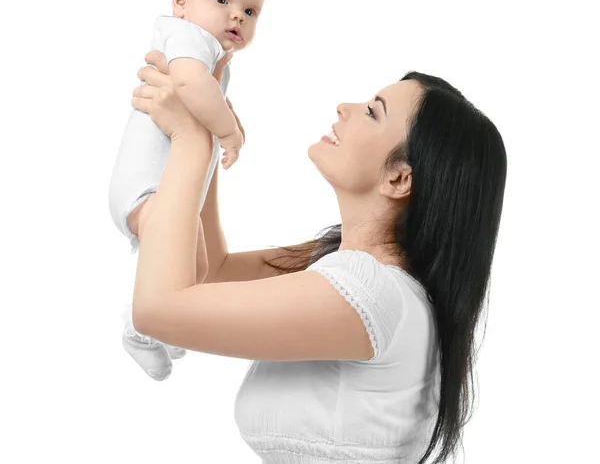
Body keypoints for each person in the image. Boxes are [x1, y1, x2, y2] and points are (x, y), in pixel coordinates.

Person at [128, 52, 507, 464]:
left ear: (399, 178)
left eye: (371, 112)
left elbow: (157, 310)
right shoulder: (345, 267)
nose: (345, 108)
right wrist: (206, 120)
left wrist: (190, 143)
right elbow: (213, 274)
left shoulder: (370, 292)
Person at [107, 0, 267, 380]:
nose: (238, 15)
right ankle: (143, 326)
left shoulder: (213, 56)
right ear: (181, 1)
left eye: (251, 11)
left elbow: (205, 95)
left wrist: (225, 118)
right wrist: (229, 132)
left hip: (170, 187)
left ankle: (163, 325)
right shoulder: (186, 37)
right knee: (175, 260)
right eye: (222, 0)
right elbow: (192, 86)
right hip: (147, 184)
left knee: (192, 270)